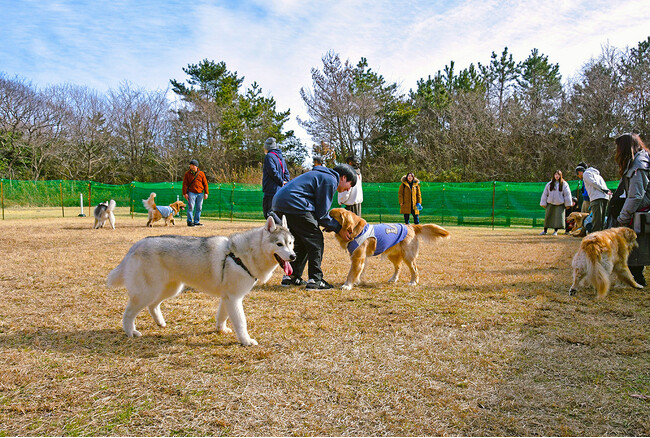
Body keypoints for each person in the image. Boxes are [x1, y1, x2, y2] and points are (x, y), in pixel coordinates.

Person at [271, 163, 357, 290]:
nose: (348, 189)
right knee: (315, 240)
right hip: (295, 205)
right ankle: (315, 280)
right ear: (343, 178)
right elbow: (321, 214)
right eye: (350, 185)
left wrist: (329, 225)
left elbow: (318, 213)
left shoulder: (320, 175)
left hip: (279, 203)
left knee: (301, 241)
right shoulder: (330, 180)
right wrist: (339, 229)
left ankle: (291, 277)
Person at [612, 133, 650, 286]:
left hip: (640, 212)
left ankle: (636, 277)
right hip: (639, 211)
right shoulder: (637, 162)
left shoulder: (638, 165)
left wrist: (623, 218)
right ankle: (634, 276)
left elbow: (636, 196)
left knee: (636, 246)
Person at [576, 161, 611, 232]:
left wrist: (604, 190)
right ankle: (601, 238)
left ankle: (594, 239)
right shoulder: (598, 175)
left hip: (596, 198)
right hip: (604, 198)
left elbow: (593, 183)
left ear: (580, 172)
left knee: (596, 221)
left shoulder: (586, 174)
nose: (578, 176)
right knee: (602, 222)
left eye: (578, 174)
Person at [262, 137, 290, 219]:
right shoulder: (280, 157)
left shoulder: (269, 156)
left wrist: (281, 182)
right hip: (280, 191)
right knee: (277, 213)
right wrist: (285, 183)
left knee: (269, 214)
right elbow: (286, 172)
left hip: (271, 191)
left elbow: (272, 171)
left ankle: (274, 231)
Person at [539, 170, 573, 235]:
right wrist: (543, 203)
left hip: (560, 204)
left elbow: (567, 194)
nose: (557, 176)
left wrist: (568, 204)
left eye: (558, 174)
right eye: (555, 174)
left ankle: (555, 231)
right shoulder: (549, 184)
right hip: (550, 203)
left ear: (560, 176)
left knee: (558, 218)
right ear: (553, 175)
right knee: (548, 217)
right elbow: (545, 194)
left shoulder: (564, 184)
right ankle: (545, 230)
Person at [182, 159, 209, 227]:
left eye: (192, 165)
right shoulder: (187, 174)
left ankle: (196, 221)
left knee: (199, 208)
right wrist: (185, 193)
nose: (191, 166)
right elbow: (185, 184)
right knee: (191, 207)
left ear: (196, 166)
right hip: (191, 193)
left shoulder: (201, 173)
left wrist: (206, 193)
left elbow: (205, 184)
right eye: (190, 165)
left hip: (200, 193)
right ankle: (190, 222)